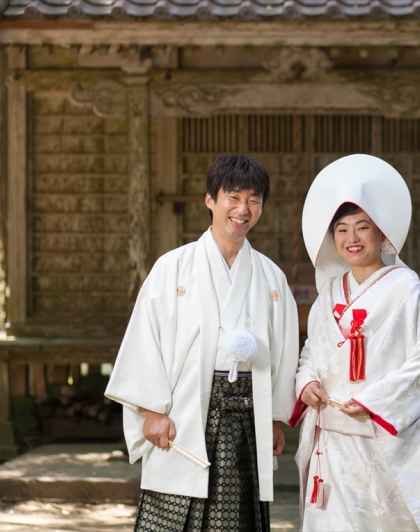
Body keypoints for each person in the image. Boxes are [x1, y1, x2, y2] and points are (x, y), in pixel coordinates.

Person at [105, 154, 299, 532]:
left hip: (246, 415)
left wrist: (275, 417)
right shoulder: (172, 268)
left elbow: (283, 350)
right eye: (233, 197)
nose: (243, 209)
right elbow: (146, 339)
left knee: (236, 517)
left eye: (254, 200)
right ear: (210, 199)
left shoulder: (271, 278)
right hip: (183, 411)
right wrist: (151, 410)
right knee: (172, 511)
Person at [289, 154, 420, 531]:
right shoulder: (330, 293)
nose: (352, 239)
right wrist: (306, 381)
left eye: (362, 228)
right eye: (341, 230)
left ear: (381, 233)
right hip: (334, 436)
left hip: (381, 434)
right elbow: (313, 349)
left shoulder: (405, 288)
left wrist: (373, 402)